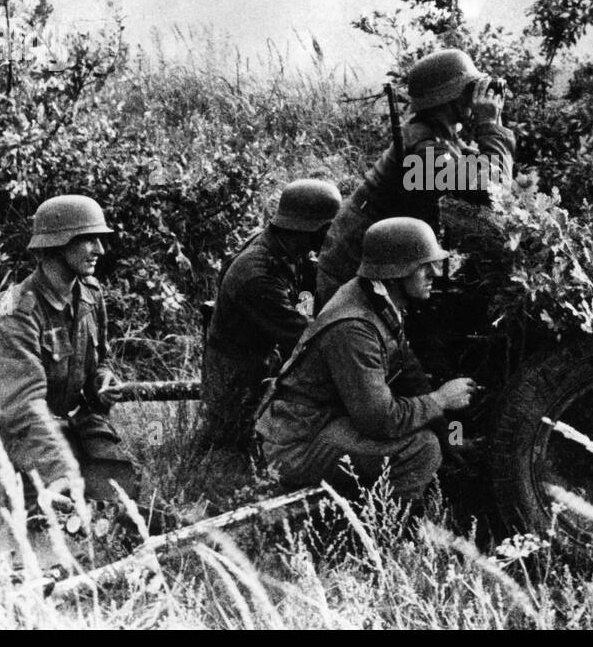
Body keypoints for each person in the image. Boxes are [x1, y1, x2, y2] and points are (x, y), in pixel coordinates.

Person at [255, 218, 477, 506]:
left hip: (324, 422)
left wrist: (453, 438)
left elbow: (412, 377)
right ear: (397, 271)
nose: (434, 273)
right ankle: (391, 534)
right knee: (421, 448)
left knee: (435, 436)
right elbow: (380, 420)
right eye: (424, 265)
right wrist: (440, 400)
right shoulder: (354, 328)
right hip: (296, 444)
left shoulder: (378, 299)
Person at [0, 194, 137, 528]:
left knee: (121, 489)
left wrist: (103, 376)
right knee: (48, 521)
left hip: (70, 424)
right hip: (18, 440)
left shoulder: (89, 293)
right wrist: (63, 476)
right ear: (58, 245)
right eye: (89, 239)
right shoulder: (18, 313)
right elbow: (25, 408)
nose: (99, 250)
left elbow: (101, 356)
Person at [315, 48, 515, 309]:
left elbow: (490, 172)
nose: (475, 97)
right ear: (448, 97)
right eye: (470, 89)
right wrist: (490, 125)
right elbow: (494, 187)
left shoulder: (436, 136)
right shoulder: (421, 150)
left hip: (381, 264)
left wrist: (493, 125)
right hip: (349, 278)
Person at [199, 178, 342, 452]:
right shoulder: (258, 274)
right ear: (314, 229)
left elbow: (305, 274)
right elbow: (303, 341)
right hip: (237, 379)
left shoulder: (281, 245)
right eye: (328, 230)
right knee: (241, 449)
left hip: (253, 361)